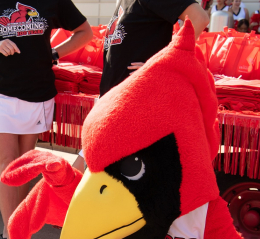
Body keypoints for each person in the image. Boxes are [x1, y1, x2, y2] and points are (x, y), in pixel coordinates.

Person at [0, 0, 93, 239]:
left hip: (38, 92)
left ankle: (17, 223)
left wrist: (54, 53)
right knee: (8, 163)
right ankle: (10, 231)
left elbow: (85, 32)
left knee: (24, 165)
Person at [71, 0, 209, 172]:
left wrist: (162, 64)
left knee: (87, 177)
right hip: (113, 102)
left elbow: (199, 18)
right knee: (87, 176)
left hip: (132, 103)